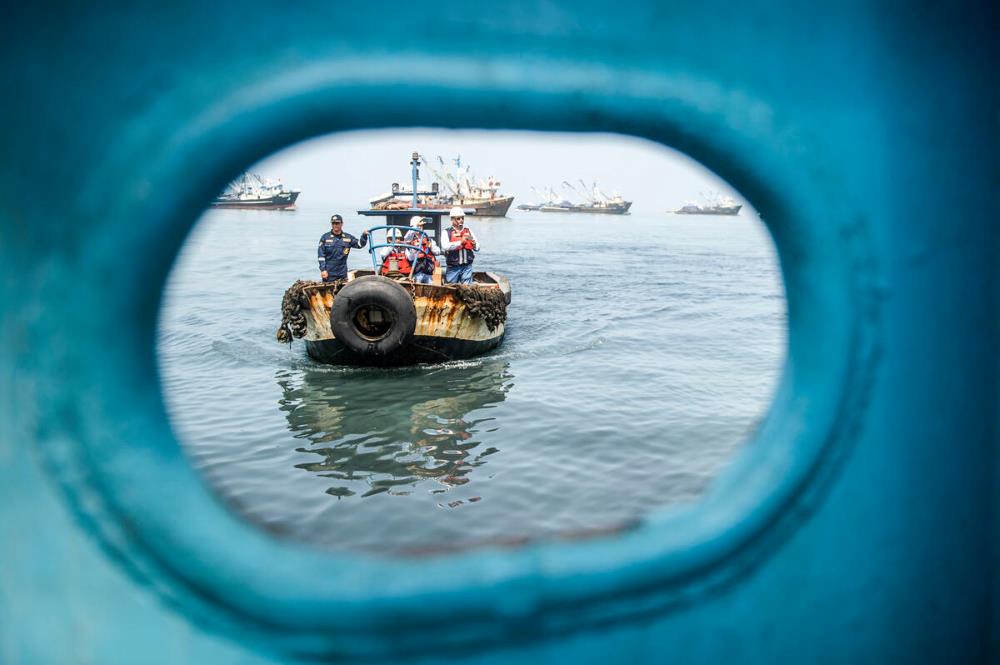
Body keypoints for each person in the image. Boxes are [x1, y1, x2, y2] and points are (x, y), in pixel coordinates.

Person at [317, 214, 368, 282]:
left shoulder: (348, 238)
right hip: (329, 272)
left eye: (337, 223)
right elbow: (321, 256)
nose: (335, 225)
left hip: (342, 272)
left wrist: (364, 236)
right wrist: (323, 270)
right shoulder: (325, 237)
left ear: (342, 224)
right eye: (333, 223)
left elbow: (360, 245)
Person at [443, 206, 479, 284]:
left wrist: (474, 244)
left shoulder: (468, 231)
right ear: (452, 219)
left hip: (467, 267)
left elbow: (478, 247)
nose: (461, 220)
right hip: (453, 268)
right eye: (458, 218)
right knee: (450, 288)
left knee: (467, 290)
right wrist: (460, 242)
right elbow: (445, 246)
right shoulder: (446, 232)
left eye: (462, 218)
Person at [405, 218, 442, 284]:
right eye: (418, 225)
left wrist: (431, 248)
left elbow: (438, 251)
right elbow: (410, 258)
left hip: (429, 273)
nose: (420, 227)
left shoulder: (428, 239)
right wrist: (415, 251)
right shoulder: (409, 241)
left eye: (421, 226)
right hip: (417, 273)